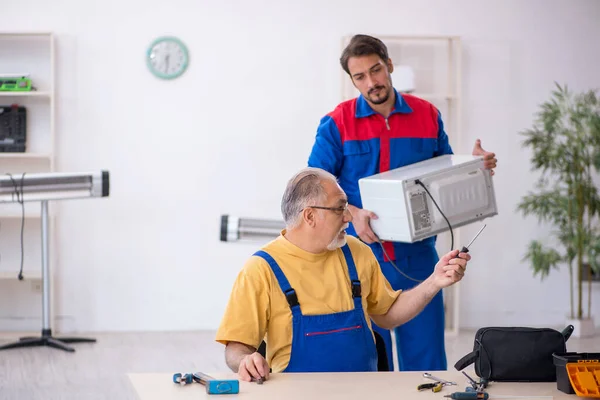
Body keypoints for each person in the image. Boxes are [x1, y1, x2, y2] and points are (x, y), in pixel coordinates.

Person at [307, 34, 497, 371]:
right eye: (360, 76)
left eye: (376, 70)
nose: (371, 82)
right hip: (360, 260)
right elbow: (315, 186)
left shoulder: (427, 115)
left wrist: (476, 168)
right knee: (371, 360)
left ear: (389, 65)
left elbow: (445, 177)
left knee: (426, 361)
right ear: (352, 80)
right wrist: (352, 212)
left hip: (419, 259)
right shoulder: (337, 123)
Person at [215, 167, 471, 381]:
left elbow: (387, 315)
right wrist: (245, 361)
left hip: (363, 391)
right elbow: (236, 348)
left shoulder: (357, 252)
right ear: (310, 216)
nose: (349, 216)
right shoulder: (261, 269)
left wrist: (435, 281)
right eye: (340, 208)